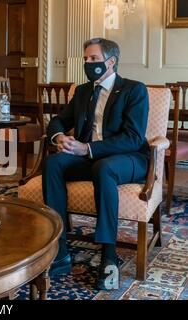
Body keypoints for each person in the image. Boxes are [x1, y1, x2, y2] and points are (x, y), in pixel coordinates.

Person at [43, 38, 149, 290]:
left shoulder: (134, 90)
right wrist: (60, 137)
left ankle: (108, 256)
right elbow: (58, 120)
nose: (87, 63)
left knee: (104, 168)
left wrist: (87, 148)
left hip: (128, 159)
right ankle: (59, 251)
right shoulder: (82, 91)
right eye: (86, 59)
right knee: (53, 164)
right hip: (89, 157)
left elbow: (133, 138)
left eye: (93, 59)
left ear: (110, 62)